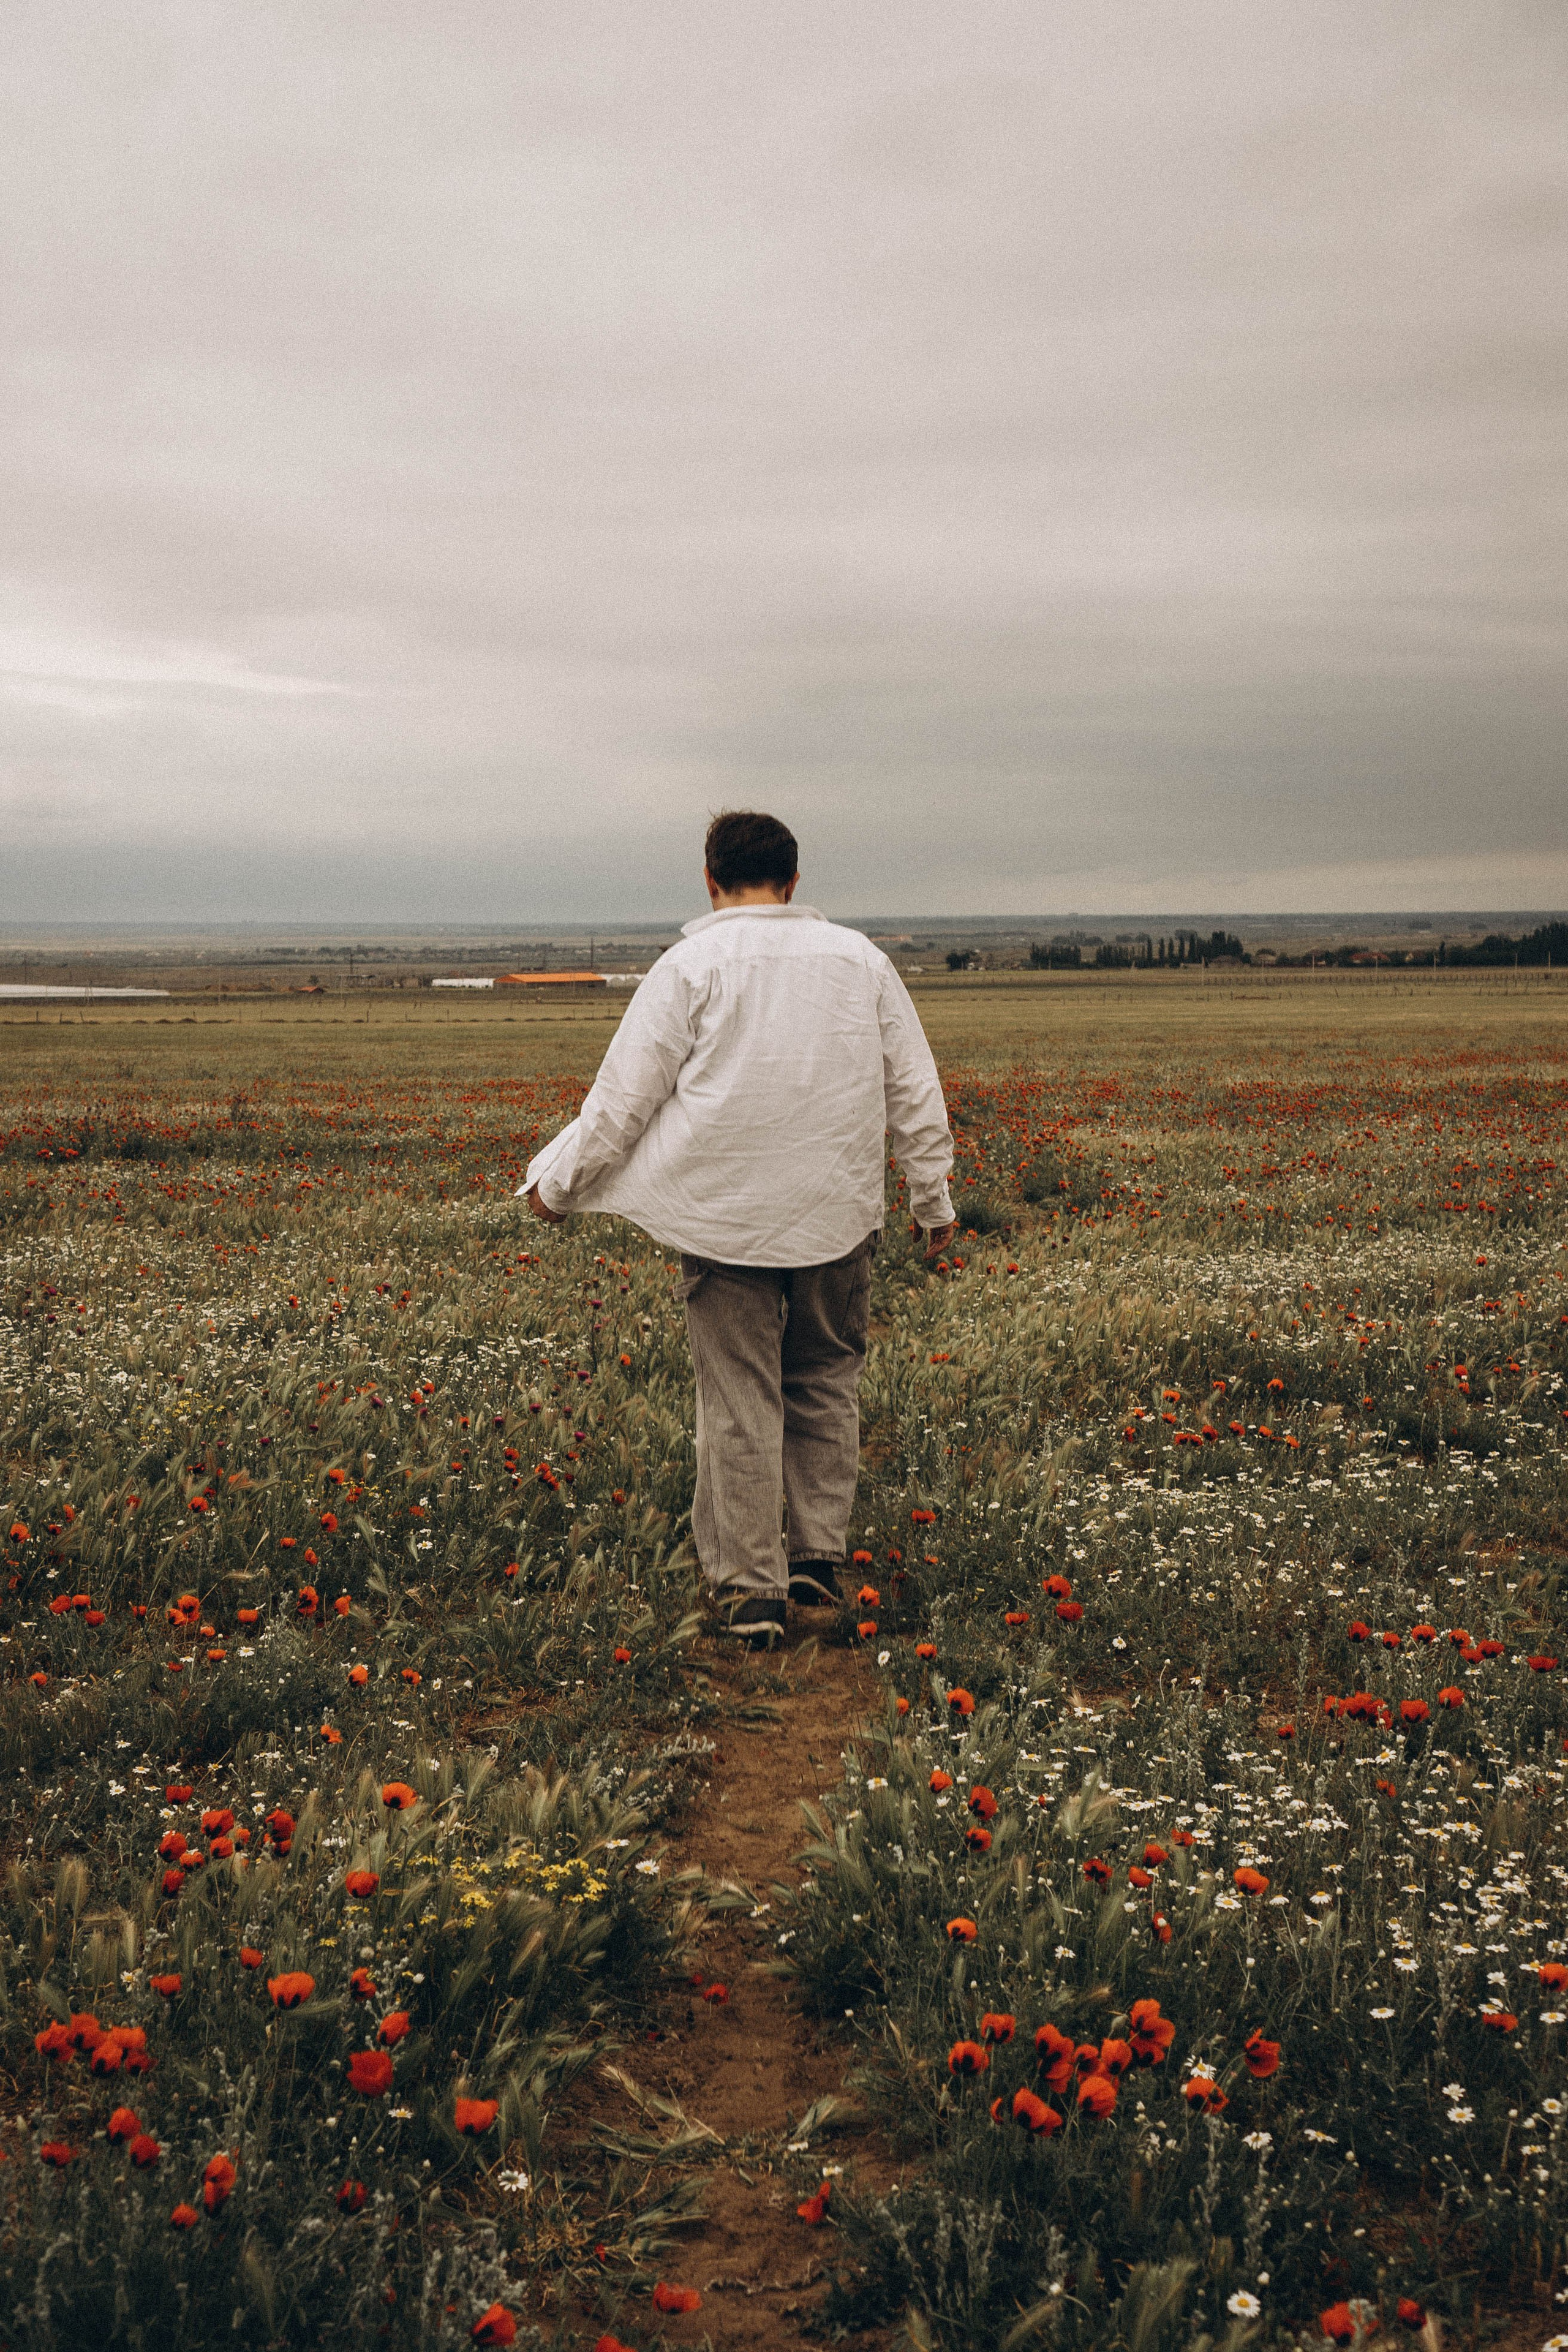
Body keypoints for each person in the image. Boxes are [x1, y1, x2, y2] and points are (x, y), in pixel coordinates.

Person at [522, 810, 956, 1645]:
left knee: (739, 1398)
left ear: (711, 881)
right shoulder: (862, 962)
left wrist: (558, 1187)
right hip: (840, 1212)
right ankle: (817, 1565)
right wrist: (932, 1201)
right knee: (827, 1378)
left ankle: (753, 1593)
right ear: (793, 882)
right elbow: (915, 1090)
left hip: (723, 1222)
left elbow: (623, 1102)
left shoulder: (692, 964)